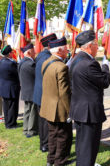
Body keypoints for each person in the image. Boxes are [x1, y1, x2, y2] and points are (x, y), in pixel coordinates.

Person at [70, 30, 110, 166]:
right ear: (89, 46)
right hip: (89, 112)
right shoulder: (89, 63)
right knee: (89, 146)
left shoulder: (75, 59)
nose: (97, 47)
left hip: (79, 109)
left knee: (82, 145)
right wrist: (105, 66)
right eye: (95, 44)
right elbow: (104, 82)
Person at [40, 37, 72, 166]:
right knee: (63, 136)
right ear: (59, 50)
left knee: (52, 135)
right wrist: (69, 112)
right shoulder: (61, 67)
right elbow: (64, 93)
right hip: (59, 109)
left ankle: (51, 160)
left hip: (48, 106)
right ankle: (60, 161)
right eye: (65, 49)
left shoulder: (46, 62)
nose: (67, 51)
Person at [33, 33, 57, 152]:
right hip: (45, 94)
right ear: (50, 45)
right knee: (46, 122)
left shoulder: (40, 56)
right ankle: (45, 145)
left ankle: (43, 142)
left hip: (39, 93)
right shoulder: (47, 58)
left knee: (42, 121)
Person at [18, 43, 38, 137]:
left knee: (27, 111)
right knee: (32, 111)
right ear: (29, 52)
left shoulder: (21, 62)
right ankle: (31, 130)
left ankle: (26, 129)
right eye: (34, 51)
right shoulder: (30, 64)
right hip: (31, 91)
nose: (35, 53)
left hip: (26, 90)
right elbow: (37, 76)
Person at [0, 45, 20, 129]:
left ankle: (7, 123)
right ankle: (11, 124)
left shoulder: (1, 62)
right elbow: (17, 74)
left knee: (6, 106)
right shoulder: (11, 64)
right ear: (9, 54)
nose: (13, 53)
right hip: (12, 88)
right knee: (12, 106)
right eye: (12, 52)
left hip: (3, 87)